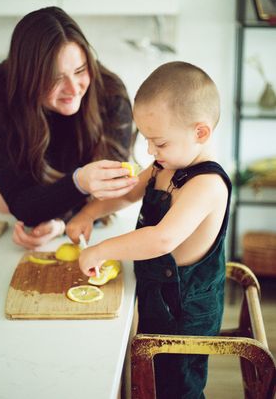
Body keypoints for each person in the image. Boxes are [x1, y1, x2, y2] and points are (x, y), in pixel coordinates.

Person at [66, 61, 232, 399]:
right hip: (159, 295)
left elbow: (162, 239)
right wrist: (88, 213)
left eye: (160, 142)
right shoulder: (163, 165)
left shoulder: (208, 185)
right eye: (147, 141)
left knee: (178, 386)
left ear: (200, 132)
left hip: (186, 311)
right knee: (153, 375)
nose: (150, 152)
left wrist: (102, 249)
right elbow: (128, 192)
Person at [0, 6, 138, 250]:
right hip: (0, 212)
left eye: (80, 70)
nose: (74, 89)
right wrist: (80, 182)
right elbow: (23, 204)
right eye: (55, 77)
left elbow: (111, 191)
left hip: (88, 217)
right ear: (27, 77)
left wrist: (61, 224)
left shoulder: (110, 94)